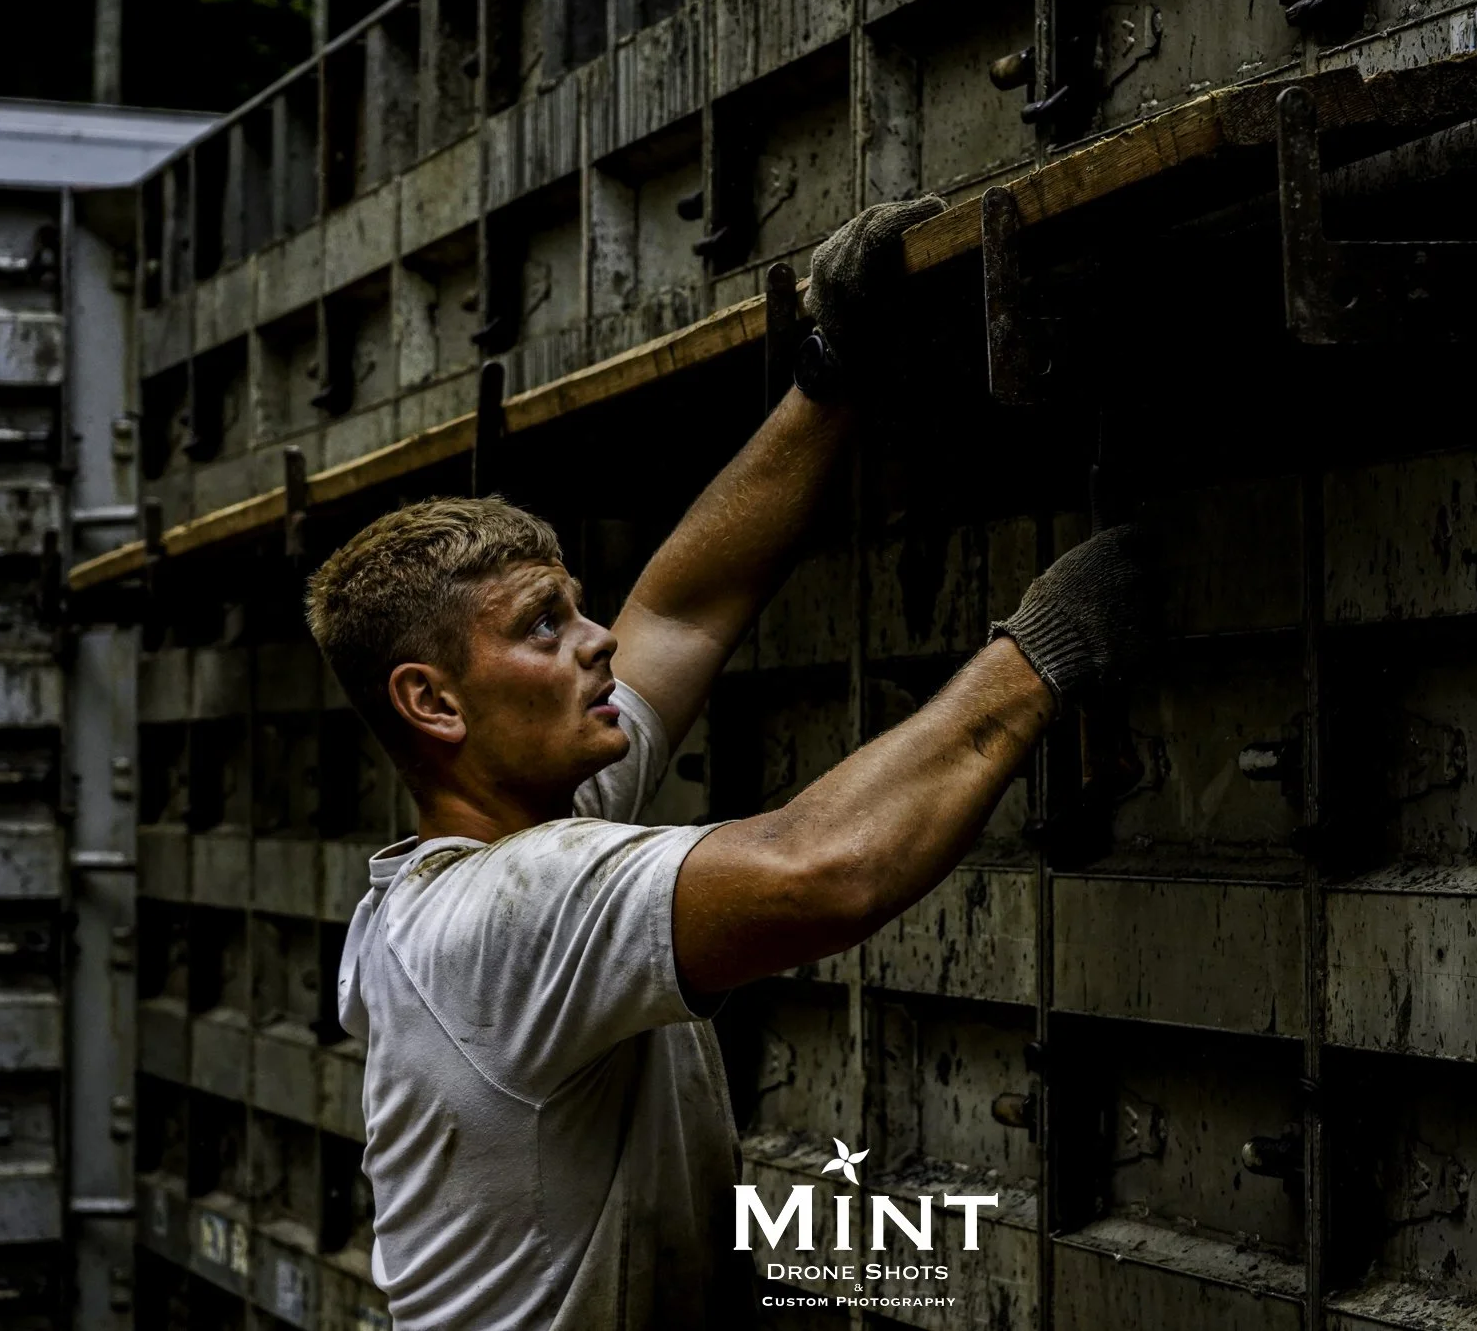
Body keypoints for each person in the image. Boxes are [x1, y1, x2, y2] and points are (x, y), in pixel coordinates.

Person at [305, 196, 1155, 1330]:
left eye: (577, 609)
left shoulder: (486, 851)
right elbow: (819, 869)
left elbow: (681, 610)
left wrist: (830, 377)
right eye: (543, 625)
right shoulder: (501, 921)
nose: (596, 641)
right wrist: (1041, 653)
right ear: (432, 702)